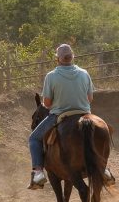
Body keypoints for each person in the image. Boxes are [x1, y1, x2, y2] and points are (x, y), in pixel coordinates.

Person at [27, 44, 113, 190]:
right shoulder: (84, 73)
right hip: (84, 113)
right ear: (73, 56)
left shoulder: (51, 76)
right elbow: (90, 98)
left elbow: (47, 103)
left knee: (33, 139)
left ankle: (39, 173)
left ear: (57, 59)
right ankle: (103, 168)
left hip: (60, 115)